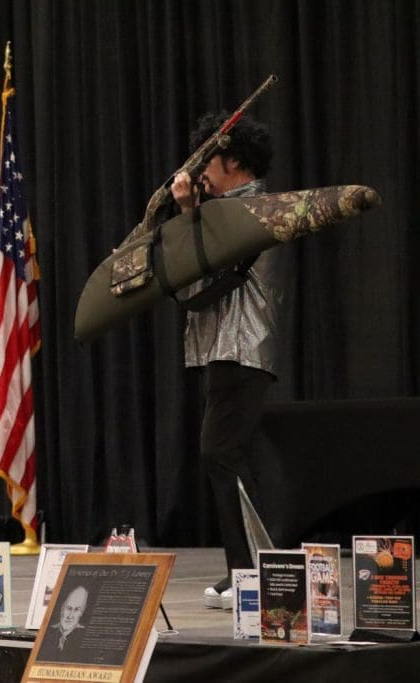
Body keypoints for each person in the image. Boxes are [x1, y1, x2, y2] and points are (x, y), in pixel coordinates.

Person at [170, 111, 282, 610]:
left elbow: (199, 270)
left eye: (207, 162)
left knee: (221, 452)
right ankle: (249, 569)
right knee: (226, 453)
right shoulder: (229, 210)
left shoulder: (247, 209)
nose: (200, 174)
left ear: (232, 161)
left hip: (242, 346)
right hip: (226, 348)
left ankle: (254, 572)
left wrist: (187, 211)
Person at [37, 584, 90, 663]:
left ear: (82, 612)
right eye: (68, 608)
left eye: (77, 610)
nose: (70, 616)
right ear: (62, 607)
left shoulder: (86, 638)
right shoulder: (47, 632)